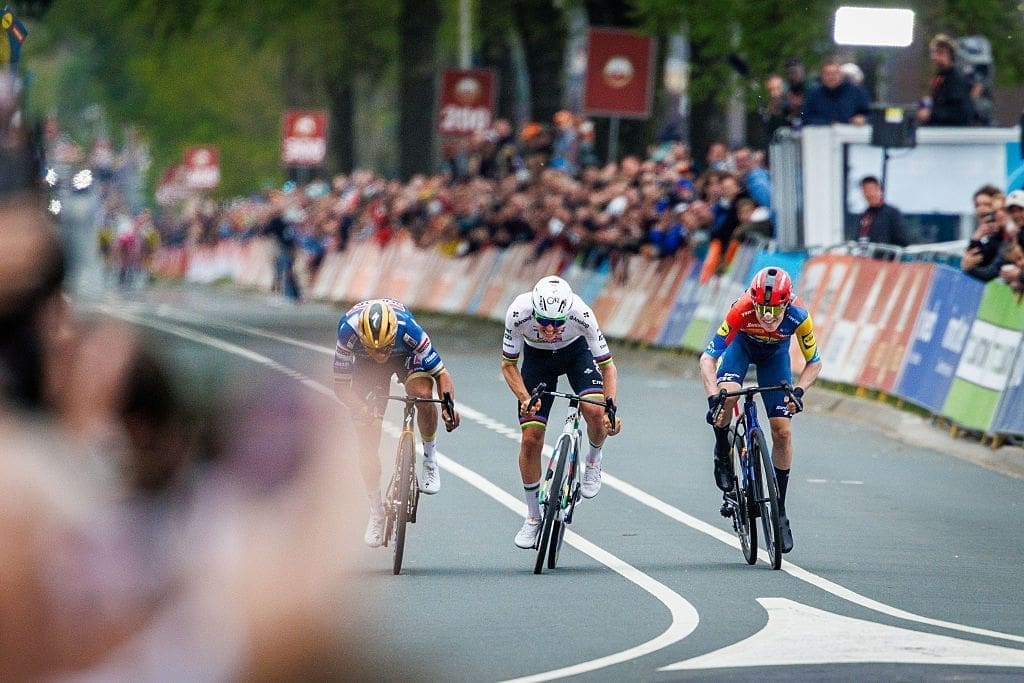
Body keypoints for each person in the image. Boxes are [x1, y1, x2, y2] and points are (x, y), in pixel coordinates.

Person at [699, 267, 822, 553]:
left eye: (774, 311)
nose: (767, 317)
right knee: (727, 398)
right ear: (753, 302)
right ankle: (722, 451)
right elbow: (708, 358)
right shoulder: (741, 310)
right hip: (741, 351)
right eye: (762, 309)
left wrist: (800, 391)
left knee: (782, 432)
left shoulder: (798, 316)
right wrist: (712, 396)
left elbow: (814, 362)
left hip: (775, 359)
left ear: (786, 304)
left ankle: (779, 510)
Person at [501, 275, 621, 549]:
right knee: (531, 437)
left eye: (558, 323)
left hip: (576, 354)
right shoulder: (518, 313)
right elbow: (508, 364)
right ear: (534, 311)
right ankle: (533, 517)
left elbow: (608, 367)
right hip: (537, 360)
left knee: (593, 408)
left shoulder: (582, 314)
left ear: (568, 314)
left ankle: (593, 459)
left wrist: (610, 407)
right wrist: (524, 397)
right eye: (544, 322)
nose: (551, 329)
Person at [333, 298, 460, 547]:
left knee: (423, 395)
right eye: (374, 349)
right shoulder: (348, 331)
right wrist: (363, 408)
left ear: (394, 336)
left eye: (385, 348)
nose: (381, 355)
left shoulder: (409, 330)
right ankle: (376, 511)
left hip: (406, 357)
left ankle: (430, 458)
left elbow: (441, 373)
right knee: (367, 439)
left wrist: (448, 406)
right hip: (366, 367)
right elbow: (340, 387)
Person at [917, 34, 974, 127]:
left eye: (940, 53)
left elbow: (962, 112)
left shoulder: (956, 80)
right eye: (933, 52)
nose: (935, 57)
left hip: (949, 133)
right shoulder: (939, 78)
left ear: (951, 56)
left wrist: (931, 113)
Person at [801, 57, 870, 127]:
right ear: (821, 76)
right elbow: (804, 116)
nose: (831, 77)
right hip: (820, 133)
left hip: (851, 134)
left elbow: (869, 114)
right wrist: (828, 123)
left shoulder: (857, 92)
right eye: (827, 74)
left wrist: (863, 119)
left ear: (842, 75)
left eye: (835, 73)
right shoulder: (813, 93)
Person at [856, 176, 910, 249]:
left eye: (871, 189)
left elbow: (902, 241)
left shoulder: (892, 213)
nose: (869, 194)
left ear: (880, 190)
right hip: (865, 258)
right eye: (865, 190)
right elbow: (859, 239)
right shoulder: (864, 216)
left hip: (886, 258)